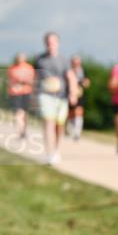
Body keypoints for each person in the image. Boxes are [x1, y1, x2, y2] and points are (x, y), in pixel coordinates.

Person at [34, 32, 78, 165]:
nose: (50, 44)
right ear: (45, 43)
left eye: (53, 42)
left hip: (61, 96)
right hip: (45, 95)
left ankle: (56, 149)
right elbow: (35, 77)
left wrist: (73, 93)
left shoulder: (64, 60)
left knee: (59, 125)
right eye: (48, 42)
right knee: (48, 122)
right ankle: (49, 153)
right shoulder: (39, 59)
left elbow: (71, 77)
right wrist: (33, 94)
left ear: (57, 43)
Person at [7, 53, 35, 138]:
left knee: (24, 113)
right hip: (15, 93)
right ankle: (20, 130)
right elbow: (10, 81)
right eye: (18, 58)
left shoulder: (29, 68)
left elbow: (32, 80)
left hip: (26, 92)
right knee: (18, 112)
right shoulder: (12, 68)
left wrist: (23, 80)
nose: (19, 60)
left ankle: (23, 130)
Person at [67, 56, 90, 141]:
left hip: (79, 95)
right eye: (75, 62)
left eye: (78, 62)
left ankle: (77, 133)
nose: (76, 64)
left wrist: (84, 83)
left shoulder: (82, 71)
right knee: (70, 113)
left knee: (79, 112)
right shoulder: (68, 71)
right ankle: (69, 130)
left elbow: (87, 82)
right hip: (68, 94)